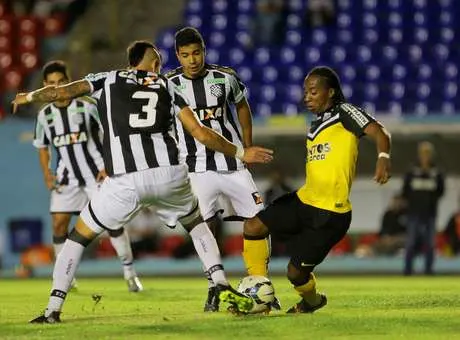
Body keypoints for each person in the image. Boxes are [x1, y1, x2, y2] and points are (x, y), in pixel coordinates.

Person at [13, 40, 273, 323]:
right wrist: (241, 151)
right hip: (170, 176)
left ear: (130, 63)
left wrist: (27, 97)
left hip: (126, 180)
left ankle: (53, 308)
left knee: (77, 238)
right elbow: (201, 133)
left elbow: (61, 92)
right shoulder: (169, 86)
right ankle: (220, 283)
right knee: (197, 225)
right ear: (156, 64)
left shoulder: (107, 79)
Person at [236, 66, 391, 314]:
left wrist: (383, 157)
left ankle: (312, 301)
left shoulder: (344, 112)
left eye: (313, 91)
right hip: (304, 200)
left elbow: (379, 131)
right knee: (253, 226)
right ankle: (260, 290)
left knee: (295, 273)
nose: (306, 97)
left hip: (331, 214)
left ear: (330, 92)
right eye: (305, 92)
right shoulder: (316, 122)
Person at [165, 27, 277, 312]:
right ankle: (216, 287)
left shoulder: (224, 76)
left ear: (204, 51)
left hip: (233, 164)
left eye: (197, 53)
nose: (192, 60)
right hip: (195, 168)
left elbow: (242, 107)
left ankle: (260, 281)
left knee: (259, 221)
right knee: (204, 227)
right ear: (178, 55)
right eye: (186, 55)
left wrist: (247, 146)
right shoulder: (169, 84)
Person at [33, 60, 142, 292]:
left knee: (113, 223)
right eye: (51, 83)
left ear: (68, 82)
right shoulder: (44, 116)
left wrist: (109, 164)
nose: (56, 87)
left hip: (97, 175)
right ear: (44, 86)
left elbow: (109, 134)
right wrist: (47, 173)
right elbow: (42, 146)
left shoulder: (87, 107)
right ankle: (65, 277)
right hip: (67, 178)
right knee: (59, 224)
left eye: (61, 82)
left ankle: (129, 272)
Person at [402, 141, 444, 276]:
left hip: (430, 213)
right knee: (411, 242)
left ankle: (428, 271)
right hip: (414, 212)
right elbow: (405, 191)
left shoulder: (437, 171)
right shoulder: (412, 170)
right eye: (423, 153)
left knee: (430, 243)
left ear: (431, 155)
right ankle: (408, 271)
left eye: (427, 153)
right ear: (419, 154)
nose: (425, 156)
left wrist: (429, 201)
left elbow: (441, 191)